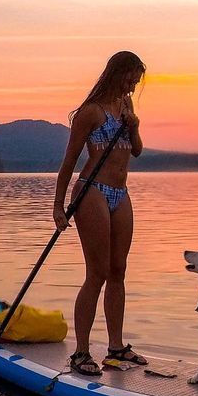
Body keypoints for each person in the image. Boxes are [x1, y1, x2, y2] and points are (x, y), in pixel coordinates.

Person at [53, 51, 147, 376]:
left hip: (120, 193)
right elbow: (69, 162)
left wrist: (134, 127)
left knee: (118, 271)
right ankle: (80, 352)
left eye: (136, 81)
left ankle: (116, 347)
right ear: (118, 74)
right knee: (98, 272)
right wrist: (57, 206)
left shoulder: (126, 107)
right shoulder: (89, 113)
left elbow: (135, 150)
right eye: (131, 79)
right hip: (91, 191)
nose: (133, 86)